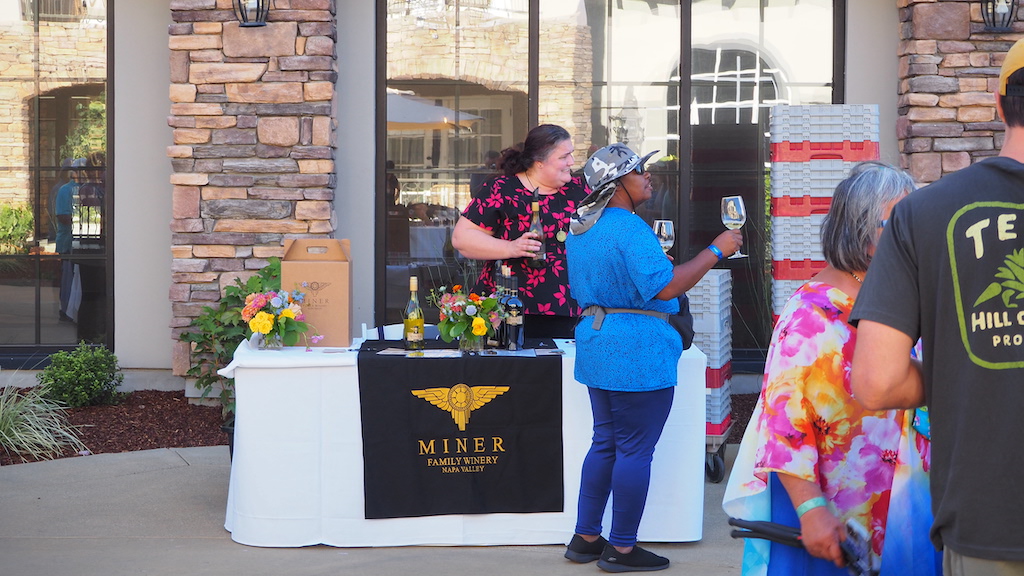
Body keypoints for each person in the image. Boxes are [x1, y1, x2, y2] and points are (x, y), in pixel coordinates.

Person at [850, 38, 1024, 575]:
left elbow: (876, 382)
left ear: (998, 106)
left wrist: (957, 370)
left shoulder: (924, 214)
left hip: (987, 523)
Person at [722, 162, 936, 576]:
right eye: (902, 222)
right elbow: (783, 425)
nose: (915, 234)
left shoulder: (894, 293)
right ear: (863, 230)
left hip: (901, 506)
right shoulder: (812, 317)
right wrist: (811, 509)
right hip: (838, 518)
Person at [563, 143, 742, 572]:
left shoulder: (582, 227)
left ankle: (586, 538)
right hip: (637, 349)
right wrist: (716, 250)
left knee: (605, 442)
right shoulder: (627, 227)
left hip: (598, 339)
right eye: (640, 171)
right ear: (616, 182)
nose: (648, 176)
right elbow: (666, 288)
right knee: (634, 450)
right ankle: (622, 548)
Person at [452, 124, 590, 339]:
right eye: (564, 156)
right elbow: (462, 238)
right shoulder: (502, 189)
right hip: (511, 307)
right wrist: (510, 247)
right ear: (540, 162)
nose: (571, 162)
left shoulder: (581, 190)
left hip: (574, 307)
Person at [55, 159, 79, 322]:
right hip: (68, 241)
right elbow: (63, 216)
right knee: (67, 277)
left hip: (83, 242)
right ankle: (65, 310)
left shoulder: (89, 189)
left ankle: (74, 310)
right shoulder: (65, 190)